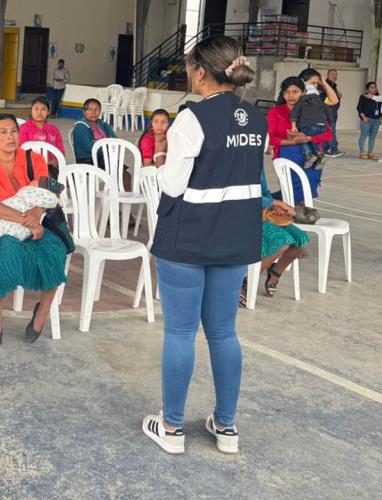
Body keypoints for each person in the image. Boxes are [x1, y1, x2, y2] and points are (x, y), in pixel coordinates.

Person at [141, 36, 264, 455]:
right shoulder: (257, 118)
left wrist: (159, 163)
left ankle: (172, 428)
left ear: (199, 73)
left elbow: (175, 185)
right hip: (235, 238)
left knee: (179, 331)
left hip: (188, 237)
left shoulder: (191, 119)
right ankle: (226, 427)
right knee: (223, 333)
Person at [0, 114, 68, 347]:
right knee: (5, 248)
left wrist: (36, 216)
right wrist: (27, 222)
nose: (10, 136)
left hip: (34, 218)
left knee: (55, 248)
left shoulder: (33, 159)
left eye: (13, 131)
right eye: (3, 132)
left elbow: (46, 195)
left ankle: (42, 311)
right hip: (1, 221)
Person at [240, 169, 309, 307]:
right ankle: (246, 283)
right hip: (242, 212)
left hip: (262, 211)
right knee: (281, 241)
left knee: (300, 239)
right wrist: (271, 203)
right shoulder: (239, 157)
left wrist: (273, 206)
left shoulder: (256, 158)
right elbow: (240, 193)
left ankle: (275, 272)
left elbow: (263, 189)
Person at [267, 77, 332, 204]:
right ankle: (297, 206)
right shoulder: (275, 112)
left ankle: (300, 206)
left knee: (307, 187)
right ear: (283, 94)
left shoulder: (313, 110)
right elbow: (271, 139)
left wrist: (309, 138)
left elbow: (327, 134)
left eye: (295, 92)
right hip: (287, 155)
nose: (291, 96)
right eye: (287, 92)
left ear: (303, 93)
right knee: (293, 193)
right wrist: (292, 141)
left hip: (312, 155)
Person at [290, 78, 330, 167]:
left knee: (301, 137)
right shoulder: (320, 102)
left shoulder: (302, 100)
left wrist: (293, 126)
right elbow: (327, 111)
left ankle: (308, 154)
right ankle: (320, 154)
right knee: (313, 139)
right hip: (322, 126)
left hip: (310, 125)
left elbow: (294, 113)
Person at [18, 96, 65, 168]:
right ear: (31, 111)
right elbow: (20, 151)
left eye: (43, 109)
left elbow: (60, 151)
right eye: (36, 109)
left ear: (48, 112)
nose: (39, 112)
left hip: (51, 167)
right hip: (29, 167)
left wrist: (56, 160)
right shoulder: (23, 128)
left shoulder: (54, 130)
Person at [71, 98, 117, 165]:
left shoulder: (102, 124)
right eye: (90, 109)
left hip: (102, 157)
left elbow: (115, 140)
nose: (93, 112)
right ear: (84, 112)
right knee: (120, 174)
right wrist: (107, 143)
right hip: (87, 160)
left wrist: (98, 143)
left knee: (124, 174)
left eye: (97, 109)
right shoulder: (81, 127)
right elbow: (91, 148)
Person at [357, 81, 382, 160]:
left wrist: (380, 119)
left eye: (375, 87)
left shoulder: (379, 97)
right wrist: (363, 117)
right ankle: (362, 152)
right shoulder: (363, 96)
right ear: (367, 89)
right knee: (363, 136)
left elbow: (381, 110)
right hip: (367, 119)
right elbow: (359, 108)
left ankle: (370, 152)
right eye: (372, 87)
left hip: (376, 120)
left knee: (372, 137)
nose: (374, 89)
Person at [324, 69, 344, 157]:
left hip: (332, 111)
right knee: (331, 130)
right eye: (332, 74)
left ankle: (325, 149)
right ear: (327, 75)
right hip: (329, 110)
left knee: (328, 130)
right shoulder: (326, 85)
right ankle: (333, 149)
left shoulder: (333, 86)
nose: (334, 76)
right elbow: (325, 99)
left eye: (336, 75)